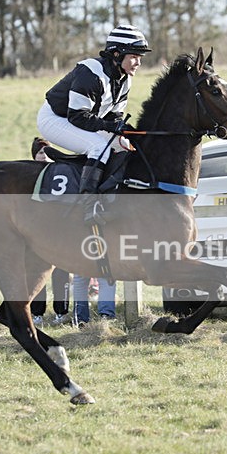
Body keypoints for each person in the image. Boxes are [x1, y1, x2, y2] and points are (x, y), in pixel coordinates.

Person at [36, 25, 151, 205]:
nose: (138, 63)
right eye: (134, 57)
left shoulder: (124, 79)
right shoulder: (90, 73)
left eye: (140, 58)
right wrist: (112, 127)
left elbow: (113, 117)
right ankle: (88, 201)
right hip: (56, 119)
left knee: (125, 146)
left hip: (83, 119)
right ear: (116, 55)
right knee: (97, 147)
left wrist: (125, 131)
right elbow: (77, 117)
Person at [30, 137, 71, 325]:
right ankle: (37, 313)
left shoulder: (59, 175)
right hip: (37, 233)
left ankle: (61, 312)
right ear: (34, 156)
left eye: (47, 153)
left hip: (60, 233)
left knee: (61, 273)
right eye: (40, 153)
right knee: (37, 273)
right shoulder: (27, 175)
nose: (44, 156)